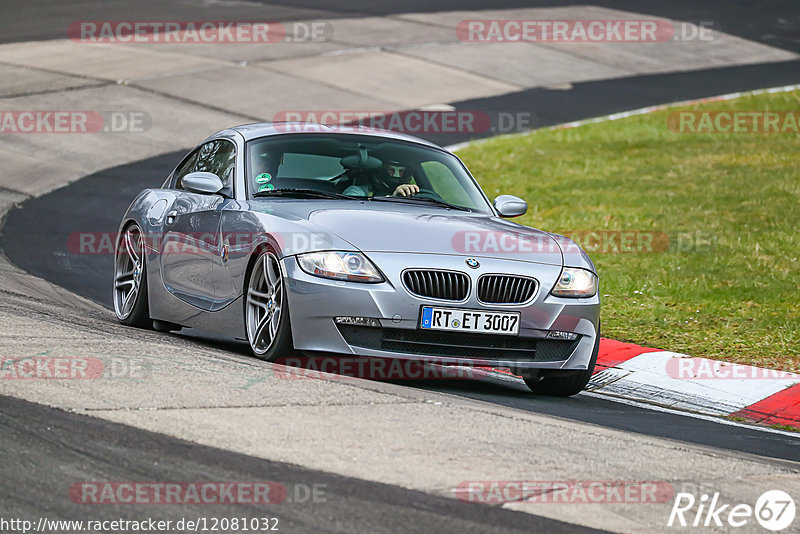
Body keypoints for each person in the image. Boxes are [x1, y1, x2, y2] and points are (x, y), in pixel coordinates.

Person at [343, 160, 419, 197]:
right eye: (391, 169)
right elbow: (349, 207)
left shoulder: (409, 193)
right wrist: (392, 198)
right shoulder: (357, 191)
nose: (396, 175)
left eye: (401, 171)